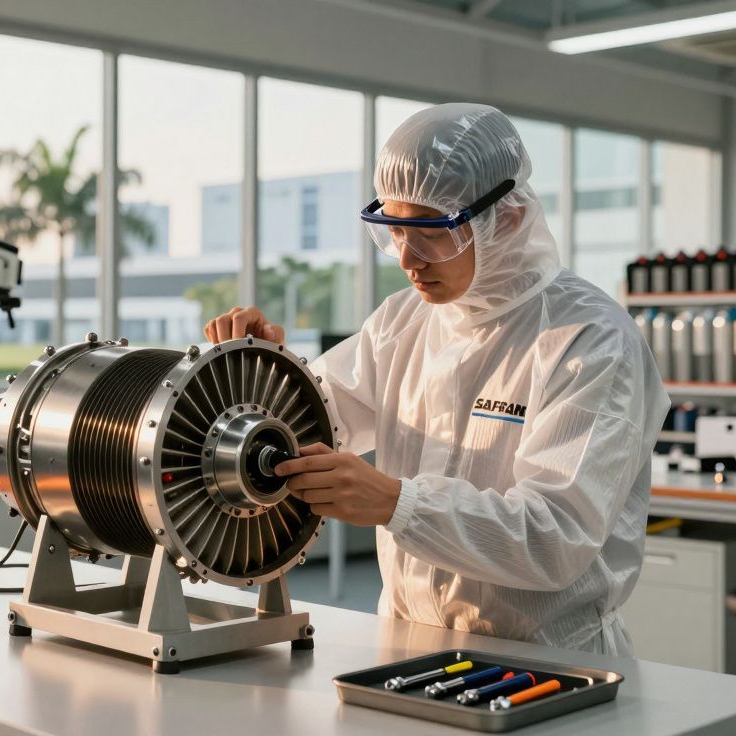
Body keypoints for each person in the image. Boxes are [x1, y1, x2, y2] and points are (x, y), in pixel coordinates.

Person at [203, 103, 667, 655]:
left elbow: (555, 537)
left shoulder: (589, 339)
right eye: (395, 230)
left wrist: (398, 504)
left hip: (547, 659)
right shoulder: (401, 322)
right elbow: (313, 425)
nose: (408, 259)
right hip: (406, 645)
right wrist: (262, 370)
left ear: (508, 219)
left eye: (430, 232)